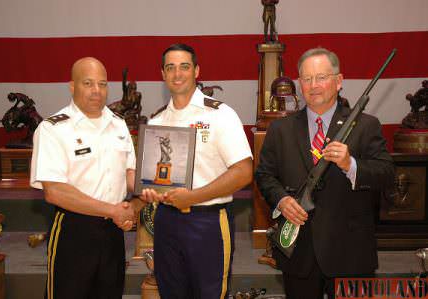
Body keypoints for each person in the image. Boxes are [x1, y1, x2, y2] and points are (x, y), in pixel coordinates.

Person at [255, 48, 394, 299]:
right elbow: (265, 176)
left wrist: (350, 164)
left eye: (321, 77)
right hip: (299, 253)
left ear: (339, 81)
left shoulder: (366, 125)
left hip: (351, 252)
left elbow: (386, 174)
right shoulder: (280, 129)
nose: (314, 85)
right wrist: (282, 201)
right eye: (306, 79)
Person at [142, 43, 253, 299]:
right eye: (170, 68)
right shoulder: (157, 121)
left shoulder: (220, 115)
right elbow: (155, 177)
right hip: (166, 221)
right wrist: (149, 192)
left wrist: (193, 197)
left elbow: (244, 171)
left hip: (208, 222)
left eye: (184, 67)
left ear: (196, 71)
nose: (177, 74)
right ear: (162, 74)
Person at [30, 57, 143, 299]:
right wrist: (115, 211)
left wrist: (148, 193)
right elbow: (54, 191)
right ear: (72, 86)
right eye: (88, 83)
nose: (96, 91)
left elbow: (130, 175)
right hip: (74, 231)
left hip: (113, 232)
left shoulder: (119, 125)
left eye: (102, 84)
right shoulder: (53, 129)